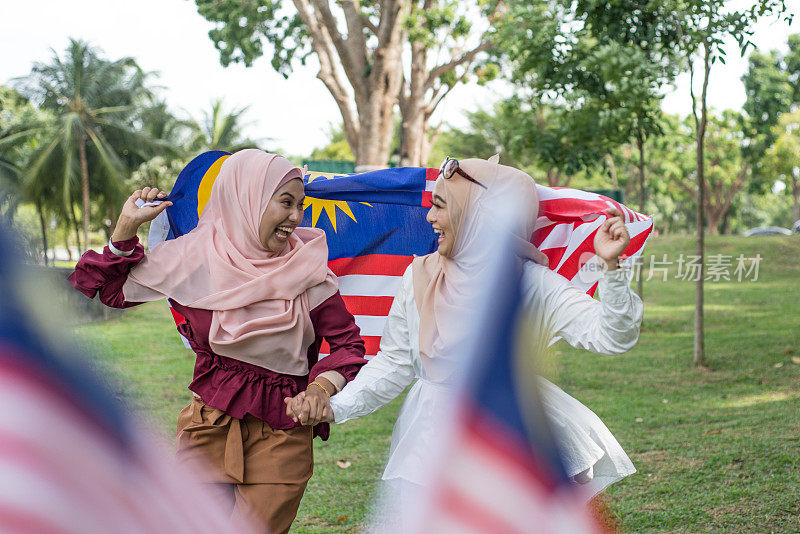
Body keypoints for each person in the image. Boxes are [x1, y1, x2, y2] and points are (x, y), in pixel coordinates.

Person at [286, 155, 643, 502]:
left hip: (511, 434)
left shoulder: (532, 283)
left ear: (478, 215)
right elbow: (393, 364)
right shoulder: (419, 276)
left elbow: (611, 337)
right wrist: (339, 406)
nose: (430, 217)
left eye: (442, 206)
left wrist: (610, 270)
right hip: (431, 439)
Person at [69, 149, 367, 534]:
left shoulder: (308, 270)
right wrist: (126, 227)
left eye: (300, 205)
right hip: (208, 422)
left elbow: (348, 346)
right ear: (246, 199)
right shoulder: (193, 257)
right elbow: (106, 290)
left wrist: (321, 389)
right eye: (286, 203)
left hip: (281, 429)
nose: (296, 217)